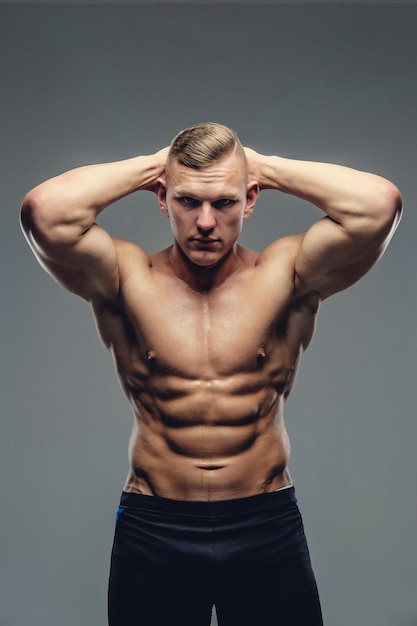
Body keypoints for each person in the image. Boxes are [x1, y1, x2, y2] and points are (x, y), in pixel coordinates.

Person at [20, 122, 402, 626]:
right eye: (187, 201)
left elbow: (379, 205)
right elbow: (44, 213)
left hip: (265, 526)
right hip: (155, 529)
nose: (205, 222)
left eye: (223, 203)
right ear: (162, 197)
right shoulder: (127, 276)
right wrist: (157, 164)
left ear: (250, 200)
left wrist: (258, 166)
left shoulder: (285, 273)